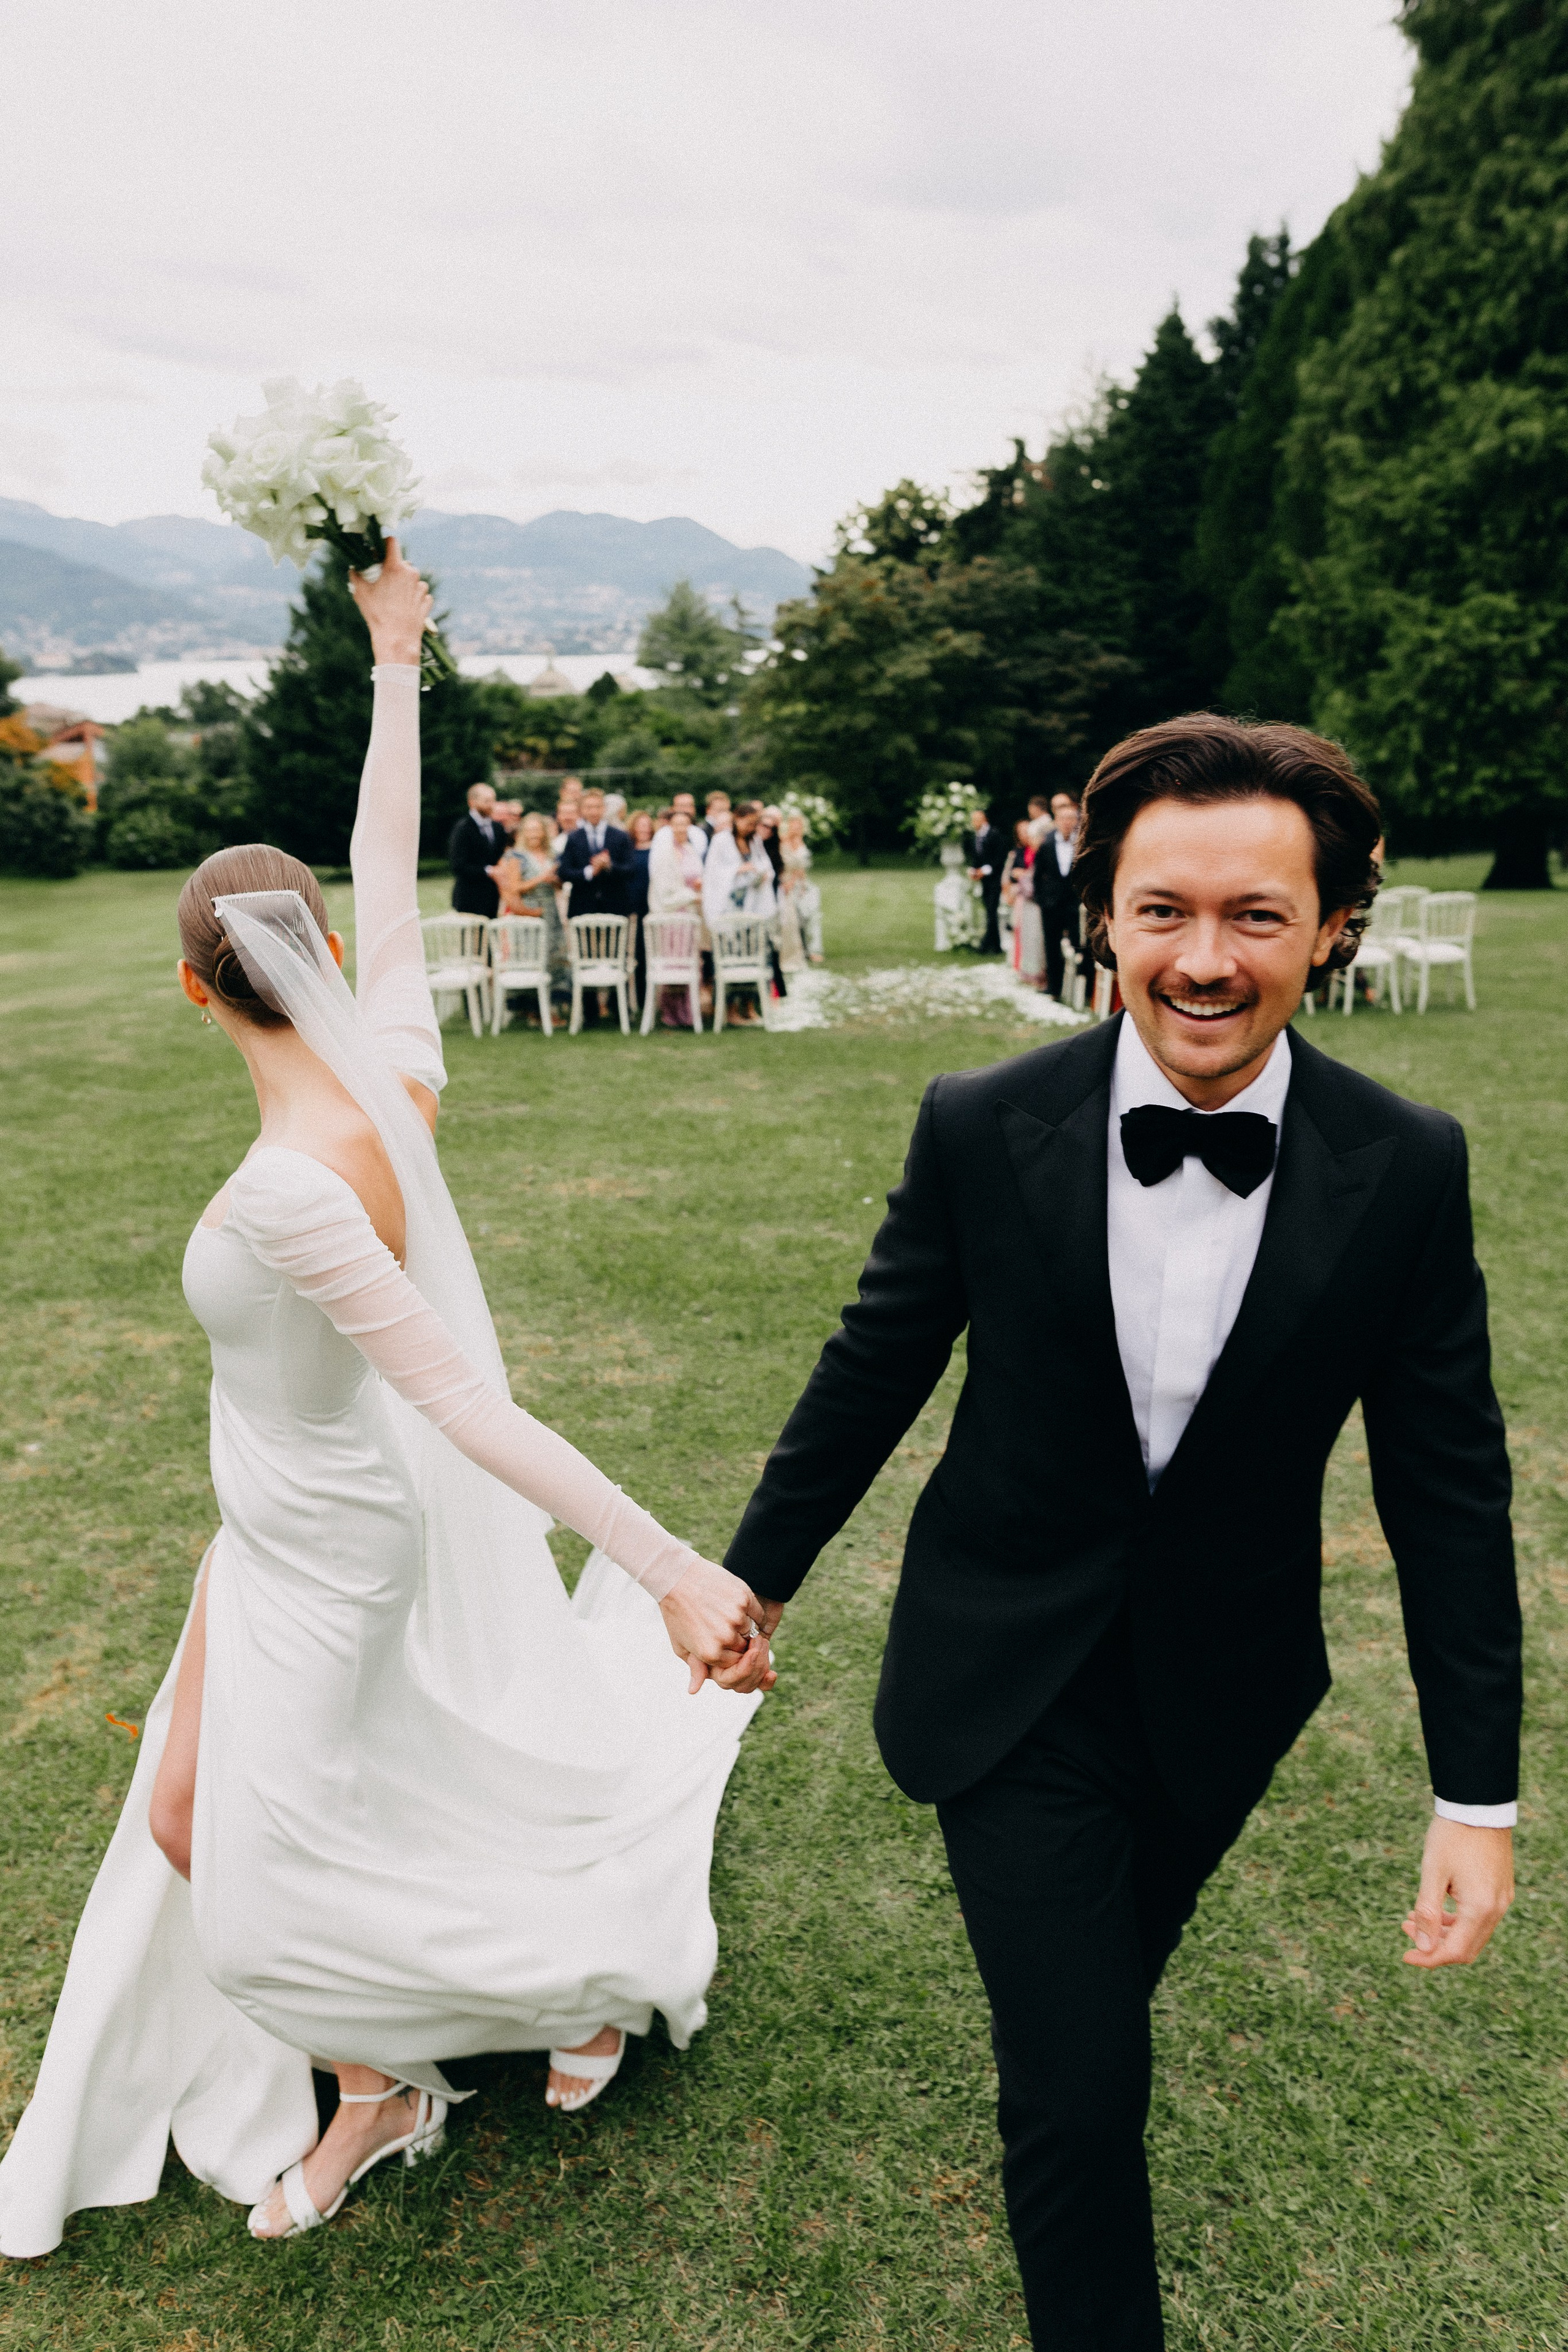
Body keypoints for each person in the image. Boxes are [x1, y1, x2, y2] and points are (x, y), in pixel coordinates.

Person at [0, 543, 775, 2263]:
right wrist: (397, 665)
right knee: (249, 1806)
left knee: (256, 1845)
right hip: (270, 1524)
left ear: (191, 989)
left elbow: (471, 1409)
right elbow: (383, 865)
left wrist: (664, 1568)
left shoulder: (296, 1186)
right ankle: (423, 2056)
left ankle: (394, 2078)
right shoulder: (398, 1071)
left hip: (333, 1542)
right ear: (324, 956)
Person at [722, 712, 1520, 2351]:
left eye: (1256, 916)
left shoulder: (1406, 1169)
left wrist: (1476, 1794)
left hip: (1221, 1696)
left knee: (1087, 2018)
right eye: (1163, 910)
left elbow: (1448, 1487)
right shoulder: (979, 1123)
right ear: (1104, 914)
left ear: (1335, 927)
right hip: (1002, 1671)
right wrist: (757, 1578)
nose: (1205, 960)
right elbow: (878, 1360)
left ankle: (1064, 2051)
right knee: (1083, 2099)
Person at [494, 810, 567, 994]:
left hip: (551, 911)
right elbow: (515, 887)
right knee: (531, 956)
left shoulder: (553, 854)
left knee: (554, 956)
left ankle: (553, 1004)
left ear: (544, 832)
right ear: (523, 833)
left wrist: (556, 881)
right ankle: (531, 1007)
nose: (534, 834)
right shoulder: (516, 856)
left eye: (538, 830)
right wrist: (542, 878)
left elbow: (558, 885)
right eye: (530, 830)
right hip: (529, 912)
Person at [647, 807, 708, 1027]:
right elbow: (665, 893)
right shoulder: (665, 852)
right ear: (670, 826)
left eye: (686, 824)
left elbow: (696, 877)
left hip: (690, 917)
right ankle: (671, 1014)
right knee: (674, 968)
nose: (682, 828)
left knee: (692, 965)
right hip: (672, 919)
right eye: (678, 824)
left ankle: (689, 1013)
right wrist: (693, 895)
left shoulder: (690, 849)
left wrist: (700, 886)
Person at [1034, 787, 1084, 1002]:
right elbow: (1038, 875)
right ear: (1056, 820)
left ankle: (1082, 990)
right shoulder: (1047, 843)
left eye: (1071, 820)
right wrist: (1042, 900)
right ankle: (1054, 987)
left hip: (1074, 904)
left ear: (1076, 821)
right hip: (1051, 905)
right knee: (1052, 946)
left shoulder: (1082, 843)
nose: (1067, 823)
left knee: (1079, 945)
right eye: (1062, 819)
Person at [557, 786, 633, 919]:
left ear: (604, 808)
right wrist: (589, 872)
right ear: (582, 810)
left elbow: (631, 870)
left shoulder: (621, 836)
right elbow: (564, 872)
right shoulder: (574, 838)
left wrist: (610, 865)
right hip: (583, 906)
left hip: (615, 906)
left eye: (597, 807)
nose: (594, 812)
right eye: (589, 807)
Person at [447, 781, 506, 918]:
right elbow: (458, 865)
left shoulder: (497, 828)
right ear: (472, 802)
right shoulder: (463, 828)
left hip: (493, 896)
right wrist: (488, 871)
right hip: (469, 897)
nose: (491, 805)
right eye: (486, 801)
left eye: (493, 800)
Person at [776, 810, 823, 971]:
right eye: (793, 824)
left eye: (799, 825)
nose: (796, 828)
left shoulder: (803, 842)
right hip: (789, 883)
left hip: (804, 884)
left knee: (812, 915)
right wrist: (792, 882)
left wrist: (802, 885)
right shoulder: (783, 841)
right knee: (795, 916)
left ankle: (814, 949)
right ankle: (799, 949)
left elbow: (802, 869)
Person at [1003, 819, 1044, 987]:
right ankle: (1022, 967)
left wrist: (1024, 876)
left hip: (1035, 901)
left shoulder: (1040, 855)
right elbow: (1010, 874)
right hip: (1023, 900)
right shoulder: (1019, 852)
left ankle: (1036, 973)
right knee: (1022, 934)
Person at [961, 805, 1006, 953]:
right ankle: (997, 946)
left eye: (977, 819)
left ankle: (984, 946)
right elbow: (976, 858)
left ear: (984, 819)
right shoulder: (977, 836)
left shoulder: (994, 834)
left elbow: (999, 858)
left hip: (995, 879)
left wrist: (985, 871)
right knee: (989, 910)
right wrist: (973, 870)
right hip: (984, 881)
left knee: (991, 912)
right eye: (973, 819)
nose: (974, 822)